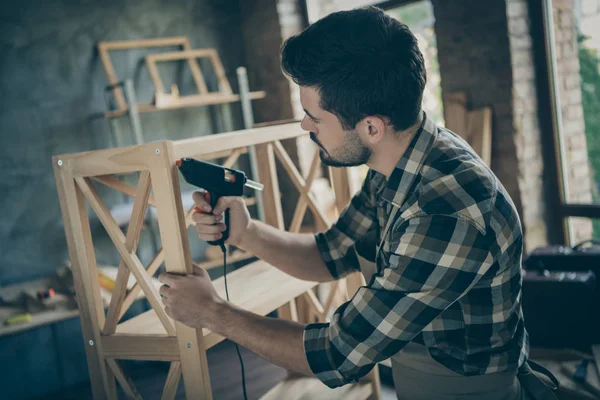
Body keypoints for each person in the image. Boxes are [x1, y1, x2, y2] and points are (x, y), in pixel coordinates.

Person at [158, 7, 558, 399]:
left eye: (314, 116)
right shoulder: (402, 160)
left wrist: (213, 313)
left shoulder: (446, 209)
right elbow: (330, 254)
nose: (305, 126)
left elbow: (338, 353)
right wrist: (245, 232)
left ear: (371, 127)